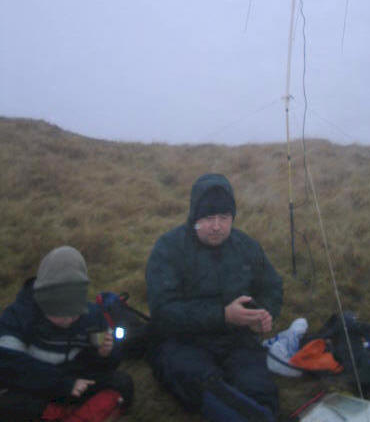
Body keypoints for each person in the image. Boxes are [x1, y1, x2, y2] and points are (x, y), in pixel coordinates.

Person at [146, 173, 283, 422]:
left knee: (259, 388)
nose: (217, 226)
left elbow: (272, 287)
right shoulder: (168, 249)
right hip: (184, 341)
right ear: (194, 218)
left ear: (232, 218)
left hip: (237, 340)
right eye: (209, 218)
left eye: (224, 217)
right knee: (202, 384)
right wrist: (223, 315)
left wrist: (264, 313)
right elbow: (163, 312)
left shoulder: (246, 246)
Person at [0, 245, 134, 422]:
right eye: (59, 313)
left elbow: (102, 364)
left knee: (122, 383)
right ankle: (66, 413)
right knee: (9, 402)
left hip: (75, 383)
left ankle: (69, 415)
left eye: (74, 312)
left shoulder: (92, 316)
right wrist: (61, 384)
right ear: (43, 303)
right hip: (35, 386)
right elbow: (8, 363)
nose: (68, 319)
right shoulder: (18, 316)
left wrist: (105, 354)